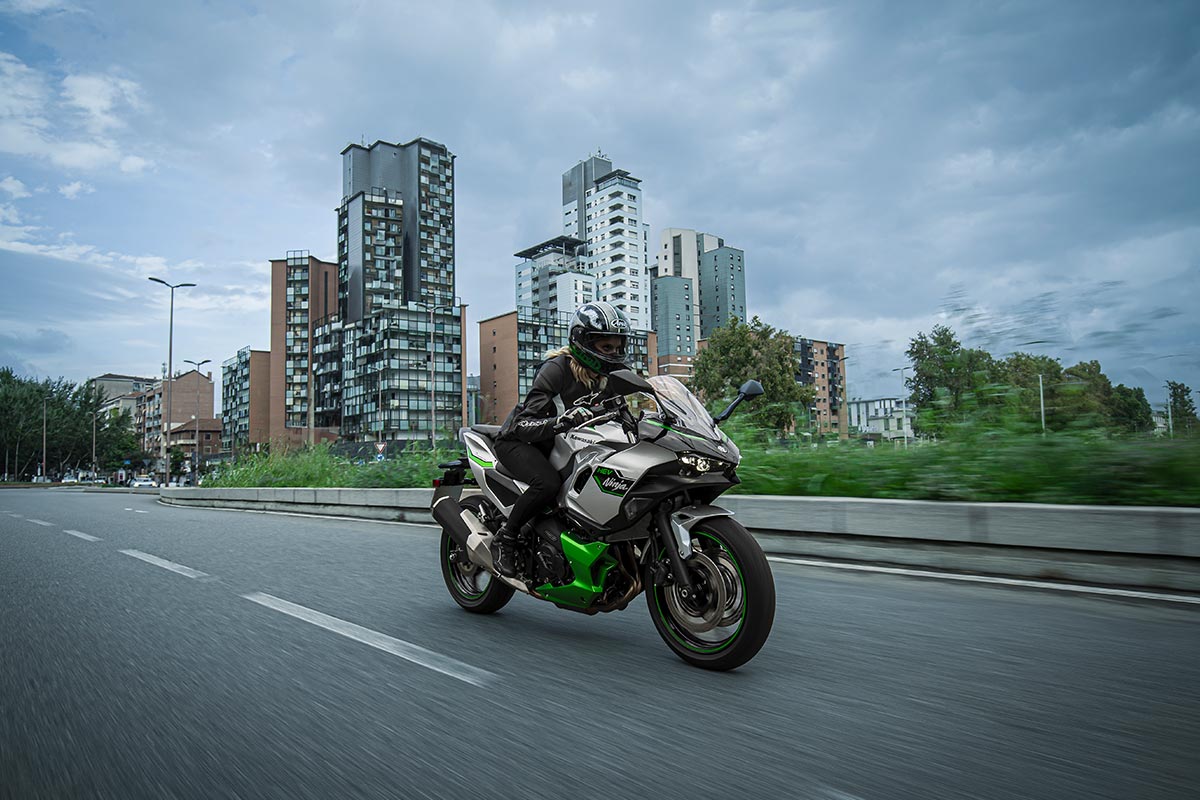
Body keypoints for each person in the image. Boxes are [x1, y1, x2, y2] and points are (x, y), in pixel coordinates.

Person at [491, 301, 632, 577]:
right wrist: (560, 421)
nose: (614, 353)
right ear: (583, 341)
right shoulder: (557, 368)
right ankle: (505, 539)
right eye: (606, 347)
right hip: (521, 442)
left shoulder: (611, 374)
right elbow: (523, 424)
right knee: (547, 483)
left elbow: (624, 410)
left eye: (618, 347)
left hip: (562, 445)